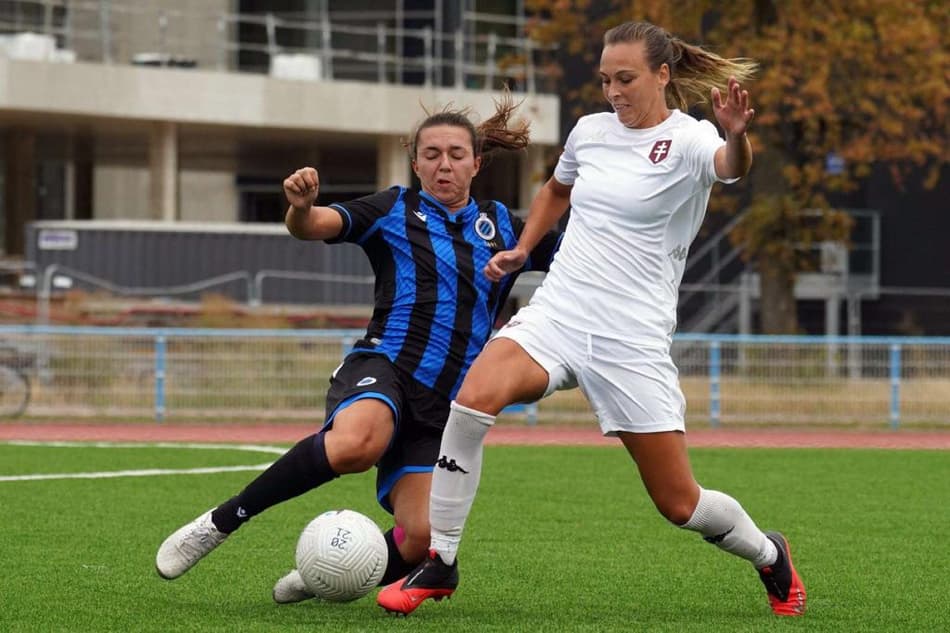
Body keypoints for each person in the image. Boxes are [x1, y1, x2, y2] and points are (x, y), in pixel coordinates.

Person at [378, 20, 806, 618]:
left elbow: (729, 166)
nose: (613, 92)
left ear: (662, 75)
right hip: (560, 310)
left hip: (630, 339)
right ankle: (442, 561)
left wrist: (736, 136)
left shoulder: (688, 140)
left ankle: (768, 552)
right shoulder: (591, 132)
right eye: (605, 80)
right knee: (473, 398)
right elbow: (557, 190)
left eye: (625, 79)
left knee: (679, 503)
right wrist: (525, 248)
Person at [154, 96, 562, 603]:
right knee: (354, 446)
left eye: (456, 154)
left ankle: (325, 577)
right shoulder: (394, 208)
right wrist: (300, 208)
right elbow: (313, 225)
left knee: (423, 540)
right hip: (384, 364)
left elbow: (579, 260)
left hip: (445, 404)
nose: (444, 164)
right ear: (416, 163)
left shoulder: (506, 226)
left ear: (477, 162)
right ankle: (221, 521)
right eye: (431, 153)